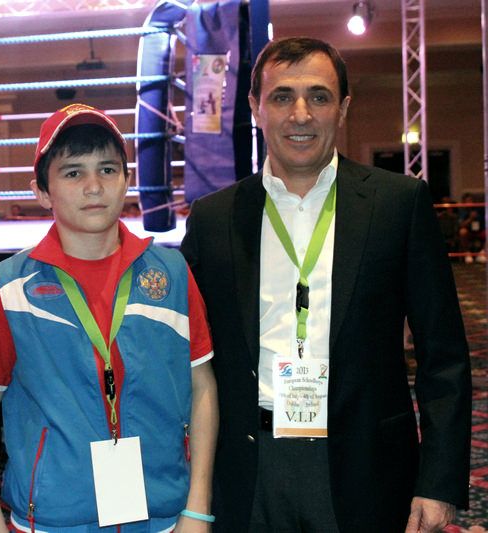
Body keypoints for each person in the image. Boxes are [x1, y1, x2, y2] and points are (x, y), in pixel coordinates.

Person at [181, 37, 471, 533]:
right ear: (255, 107)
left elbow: (443, 356)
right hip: (248, 468)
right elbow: (186, 354)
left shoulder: (397, 205)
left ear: (343, 108)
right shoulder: (213, 219)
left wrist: (439, 482)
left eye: (318, 96)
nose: (301, 114)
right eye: (282, 97)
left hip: (368, 467)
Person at [0, 103, 219, 533]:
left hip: (162, 517)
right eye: (73, 173)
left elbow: (202, 386)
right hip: (51, 520)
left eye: (108, 170)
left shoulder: (170, 274)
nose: (94, 186)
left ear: (127, 181)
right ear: (42, 192)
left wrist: (197, 508)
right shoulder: (9, 287)